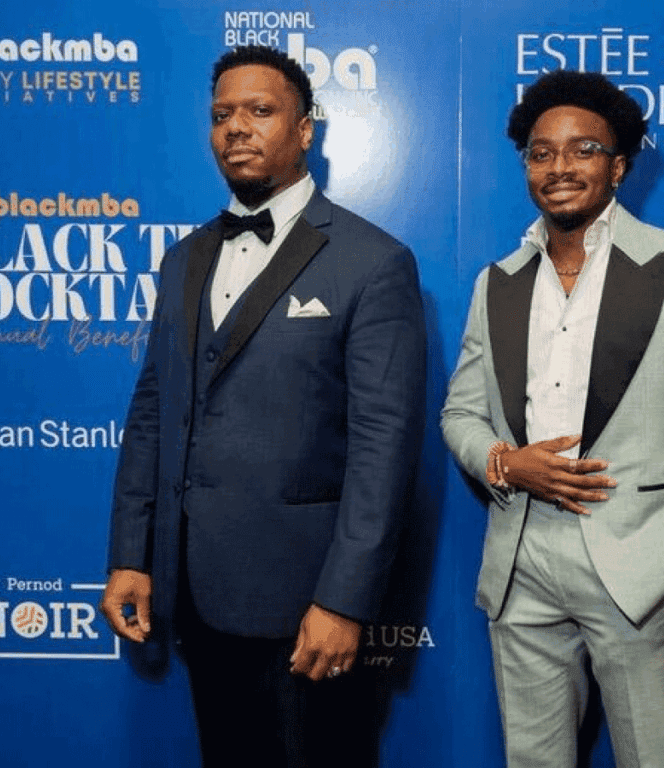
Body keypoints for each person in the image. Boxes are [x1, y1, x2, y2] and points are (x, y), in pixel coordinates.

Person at [100, 44, 426, 766]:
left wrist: (344, 601)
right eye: (222, 115)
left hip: (306, 606)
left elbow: (385, 449)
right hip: (195, 592)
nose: (237, 128)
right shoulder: (183, 258)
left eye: (260, 110)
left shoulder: (373, 263)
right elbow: (154, 409)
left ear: (305, 130)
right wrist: (132, 552)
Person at [441, 70, 664, 767]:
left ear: (618, 165)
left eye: (583, 149)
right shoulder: (497, 281)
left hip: (636, 563)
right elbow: (461, 413)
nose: (559, 167)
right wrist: (504, 462)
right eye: (541, 152)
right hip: (520, 560)